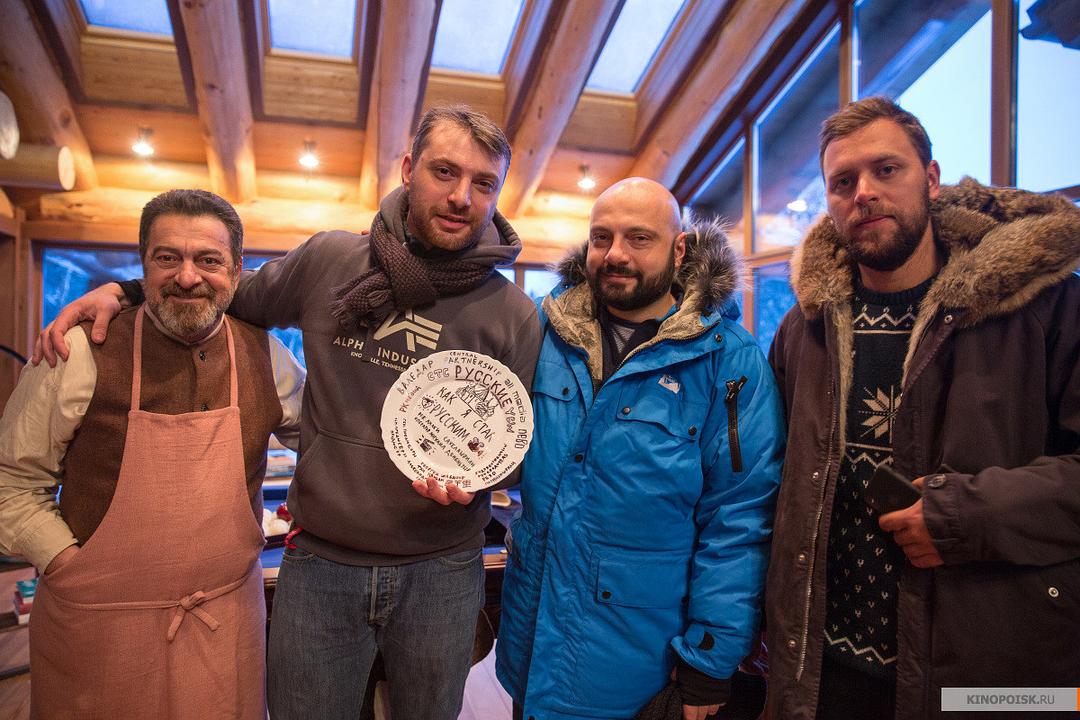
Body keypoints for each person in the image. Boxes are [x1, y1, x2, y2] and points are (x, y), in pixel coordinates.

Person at [34, 106, 542, 720]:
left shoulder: (514, 314)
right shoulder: (331, 260)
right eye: (445, 172)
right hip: (321, 564)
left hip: (443, 570)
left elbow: (519, 448)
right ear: (409, 170)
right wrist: (126, 290)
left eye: (484, 182)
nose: (462, 196)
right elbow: (222, 290)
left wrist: (481, 479)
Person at [765, 96, 1080, 720]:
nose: (864, 193)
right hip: (819, 673)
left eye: (887, 170)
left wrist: (964, 514)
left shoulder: (1044, 308)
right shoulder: (805, 329)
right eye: (843, 182)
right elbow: (769, 485)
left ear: (930, 180)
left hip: (987, 677)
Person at [0, 189, 305, 718]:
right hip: (97, 626)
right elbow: (12, 481)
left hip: (226, 627)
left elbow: (329, 442)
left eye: (208, 260)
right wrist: (68, 564)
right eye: (168, 258)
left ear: (236, 271)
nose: (187, 277)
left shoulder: (268, 357)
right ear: (143, 265)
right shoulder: (78, 351)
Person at [493, 177, 785, 720]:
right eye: (601, 237)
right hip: (530, 651)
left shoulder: (728, 361)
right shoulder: (544, 332)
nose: (615, 254)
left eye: (639, 238)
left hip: (637, 669)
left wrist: (710, 657)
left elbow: (741, 518)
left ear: (680, 249)